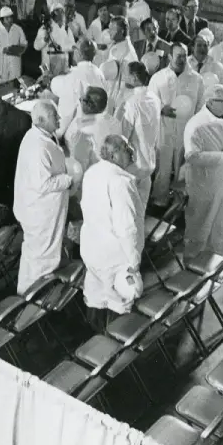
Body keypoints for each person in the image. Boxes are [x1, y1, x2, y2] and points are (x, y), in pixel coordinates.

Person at [80, 135, 144, 324]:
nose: (131, 151)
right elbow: (126, 227)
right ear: (115, 155)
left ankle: (91, 338)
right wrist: (134, 260)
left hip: (91, 250)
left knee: (96, 294)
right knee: (122, 298)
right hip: (114, 255)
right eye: (126, 147)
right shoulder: (120, 182)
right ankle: (113, 343)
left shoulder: (92, 172)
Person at [12, 101, 73, 293]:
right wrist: (67, 180)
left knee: (39, 258)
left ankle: (34, 295)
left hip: (43, 211)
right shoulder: (37, 146)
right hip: (39, 214)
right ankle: (32, 300)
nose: (59, 119)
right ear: (40, 120)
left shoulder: (41, 137)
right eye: (55, 117)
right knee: (39, 259)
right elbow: (43, 184)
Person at [182, 85, 223, 263]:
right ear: (210, 102)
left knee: (222, 222)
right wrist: (221, 156)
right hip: (206, 184)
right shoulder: (196, 124)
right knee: (201, 223)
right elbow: (191, 156)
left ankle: (214, 259)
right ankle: (191, 263)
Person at [149, 44, 206, 206]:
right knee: (163, 167)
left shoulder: (196, 79)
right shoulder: (158, 78)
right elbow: (150, 101)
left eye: (184, 55)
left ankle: (179, 204)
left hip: (185, 131)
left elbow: (201, 106)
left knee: (182, 168)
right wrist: (161, 109)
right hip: (164, 130)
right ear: (169, 57)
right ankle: (160, 199)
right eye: (178, 56)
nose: (181, 60)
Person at [119, 62, 161, 224]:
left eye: (126, 74)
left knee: (128, 215)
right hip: (149, 163)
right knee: (140, 213)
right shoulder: (155, 98)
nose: (123, 77)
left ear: (135, 78)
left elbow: (124, 136)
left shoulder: (132, 103)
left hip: (133, 167)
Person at [63, 87, 122, 171]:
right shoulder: (115, 122)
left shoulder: (83, 128)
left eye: (81, 100)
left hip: (89, 172)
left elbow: (79, 163)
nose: (79, 102)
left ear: (88, 106)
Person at [54, 41, 104, 136]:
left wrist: (56, 135)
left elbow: (66, 112)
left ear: (79, 54)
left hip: (78, 132)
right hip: (97, 128)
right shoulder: (99, 73)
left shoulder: (74, 76)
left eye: (75, 49)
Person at [35, 6, 74, 78]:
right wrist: (45, 40)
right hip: (47, 65)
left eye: (62, 12)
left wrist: (60, 47)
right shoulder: (44, 28)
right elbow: (36, 46)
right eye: (58, 12)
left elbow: (73, 46)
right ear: (53, 14)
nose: (61, 14)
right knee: (46, 85)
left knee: (61, 86)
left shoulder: (67, 29)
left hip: (63, 66)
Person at [0, 6, 27, 84]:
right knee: (2, 86)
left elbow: (24, 43)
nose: (10, 20)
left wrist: (20, 49)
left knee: (16, 84)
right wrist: (3, 49)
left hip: (15, 62)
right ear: (2, 19)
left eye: (10, 17)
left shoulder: (18, 29)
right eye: (7, 18)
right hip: (2, 63)